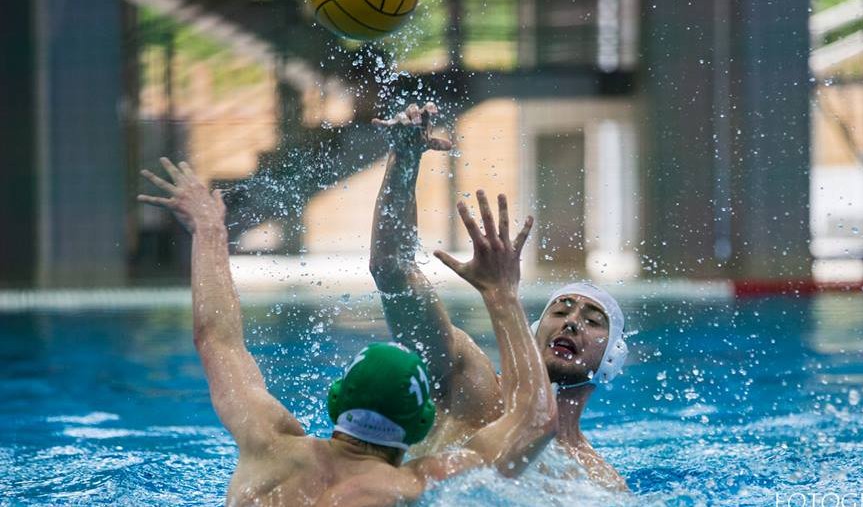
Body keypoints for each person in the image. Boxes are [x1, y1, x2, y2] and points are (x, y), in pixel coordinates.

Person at [137, 157, 556, 506]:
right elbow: (534, 423)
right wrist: (502, 294)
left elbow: (216, 339)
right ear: (421, 423)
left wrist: (209, 229)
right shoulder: (413, 486)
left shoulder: (265, 443)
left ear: (335, 398)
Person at [370, 104, 629, 491]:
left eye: (593, 321)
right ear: (533, 332)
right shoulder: (468, 381)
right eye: (560, 310)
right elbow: (391, 270)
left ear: (611, 360)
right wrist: (404, 162)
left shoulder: (600, 482)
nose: (572, 321)